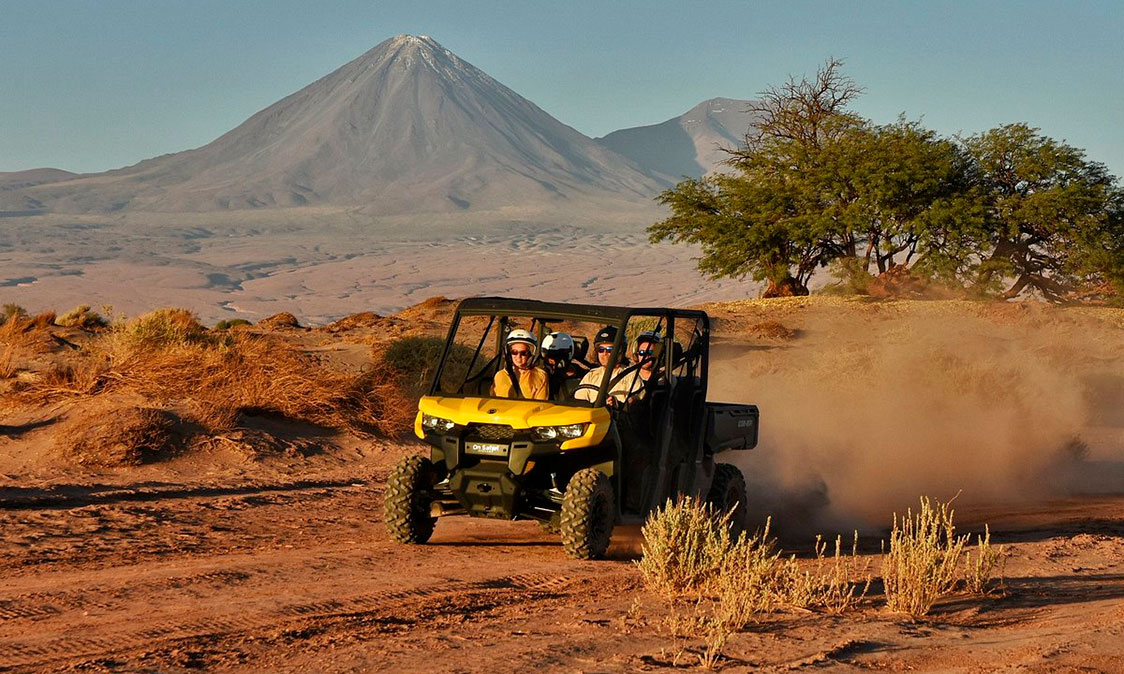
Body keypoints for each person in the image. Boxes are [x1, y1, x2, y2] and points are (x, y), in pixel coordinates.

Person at [574, 326, 630, 405]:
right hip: (592, 416)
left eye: (610, 349)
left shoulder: (631, 376)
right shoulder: (591, 375)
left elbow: (636, 406)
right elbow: (578, 403)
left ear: (620, 351)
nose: (604, 353)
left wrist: (617, 404)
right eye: (601, 350)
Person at [492, 329, 549, 400]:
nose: (518, 356)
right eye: (514, 352)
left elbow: (541, 405)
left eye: (523, 353)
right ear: (509, 353)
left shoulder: (540, 376)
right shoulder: (500, 376)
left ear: (530, 354)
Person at [541, 331, 589, 401]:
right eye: (550, 356)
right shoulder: (540, 374)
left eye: (558, 356)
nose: (553, 361)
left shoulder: (579, 373)